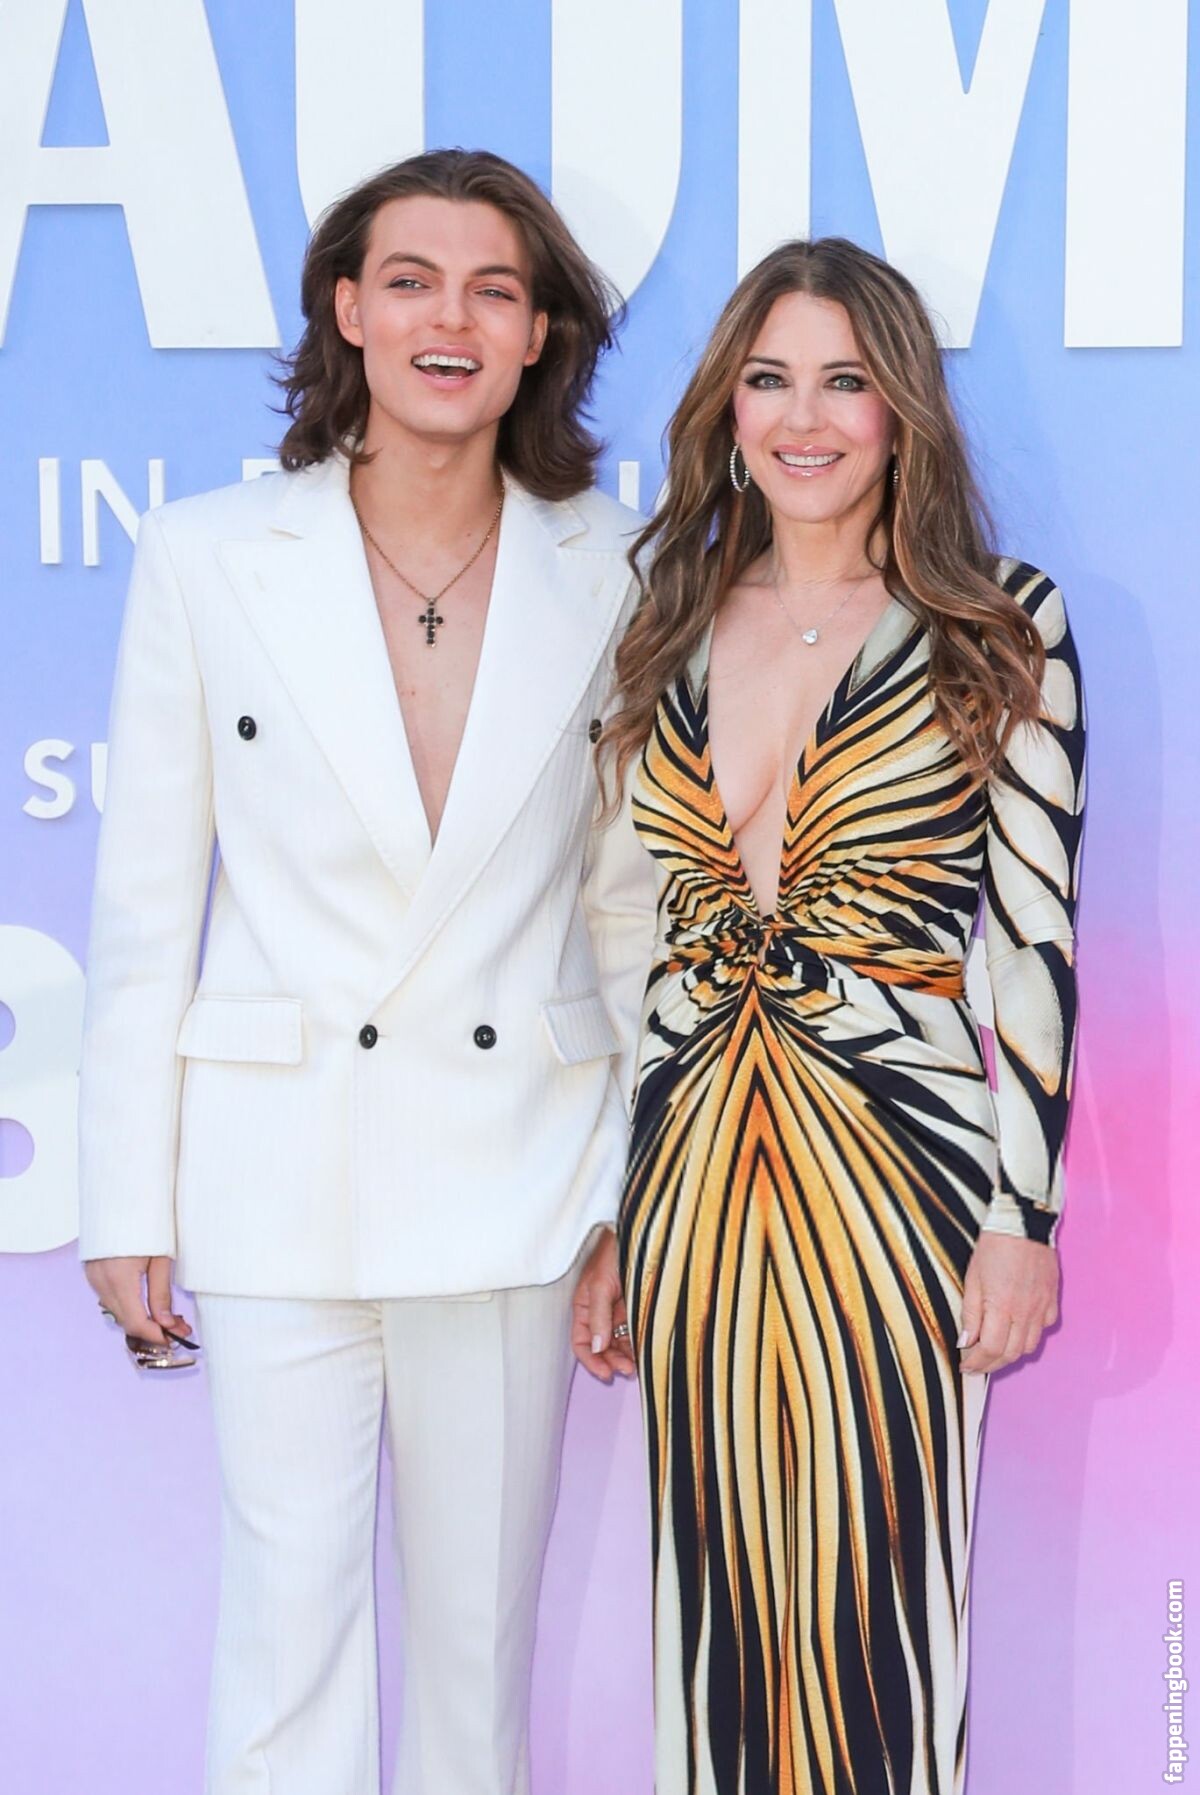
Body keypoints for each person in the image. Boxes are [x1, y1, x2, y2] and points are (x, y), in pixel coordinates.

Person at [78, 149, 655, 1795]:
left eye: (493, 289)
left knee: (476, 1669)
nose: (447, 320)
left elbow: (630, 909)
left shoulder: (617, 568)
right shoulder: (207, 556)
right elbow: (145, 905)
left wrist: (627, 1189)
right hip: (278, 1171)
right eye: (410, 281)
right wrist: (128, 1199)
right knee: (282, 1655)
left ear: (539, 334)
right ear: (347, 309)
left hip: (518, 1171)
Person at [572, 238, 1085, 1794]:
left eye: (846, 381)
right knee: (717, 1613)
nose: (805, 418)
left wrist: (1023, 1219)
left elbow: (1035, 940)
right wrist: (615, 1209)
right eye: (771, 379)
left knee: (883, 1616)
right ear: (727, 408)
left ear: (900, 411)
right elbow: (632, 947)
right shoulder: (663, 621)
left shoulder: (1000, 622)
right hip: (692, 1181)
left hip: (900, 1176)